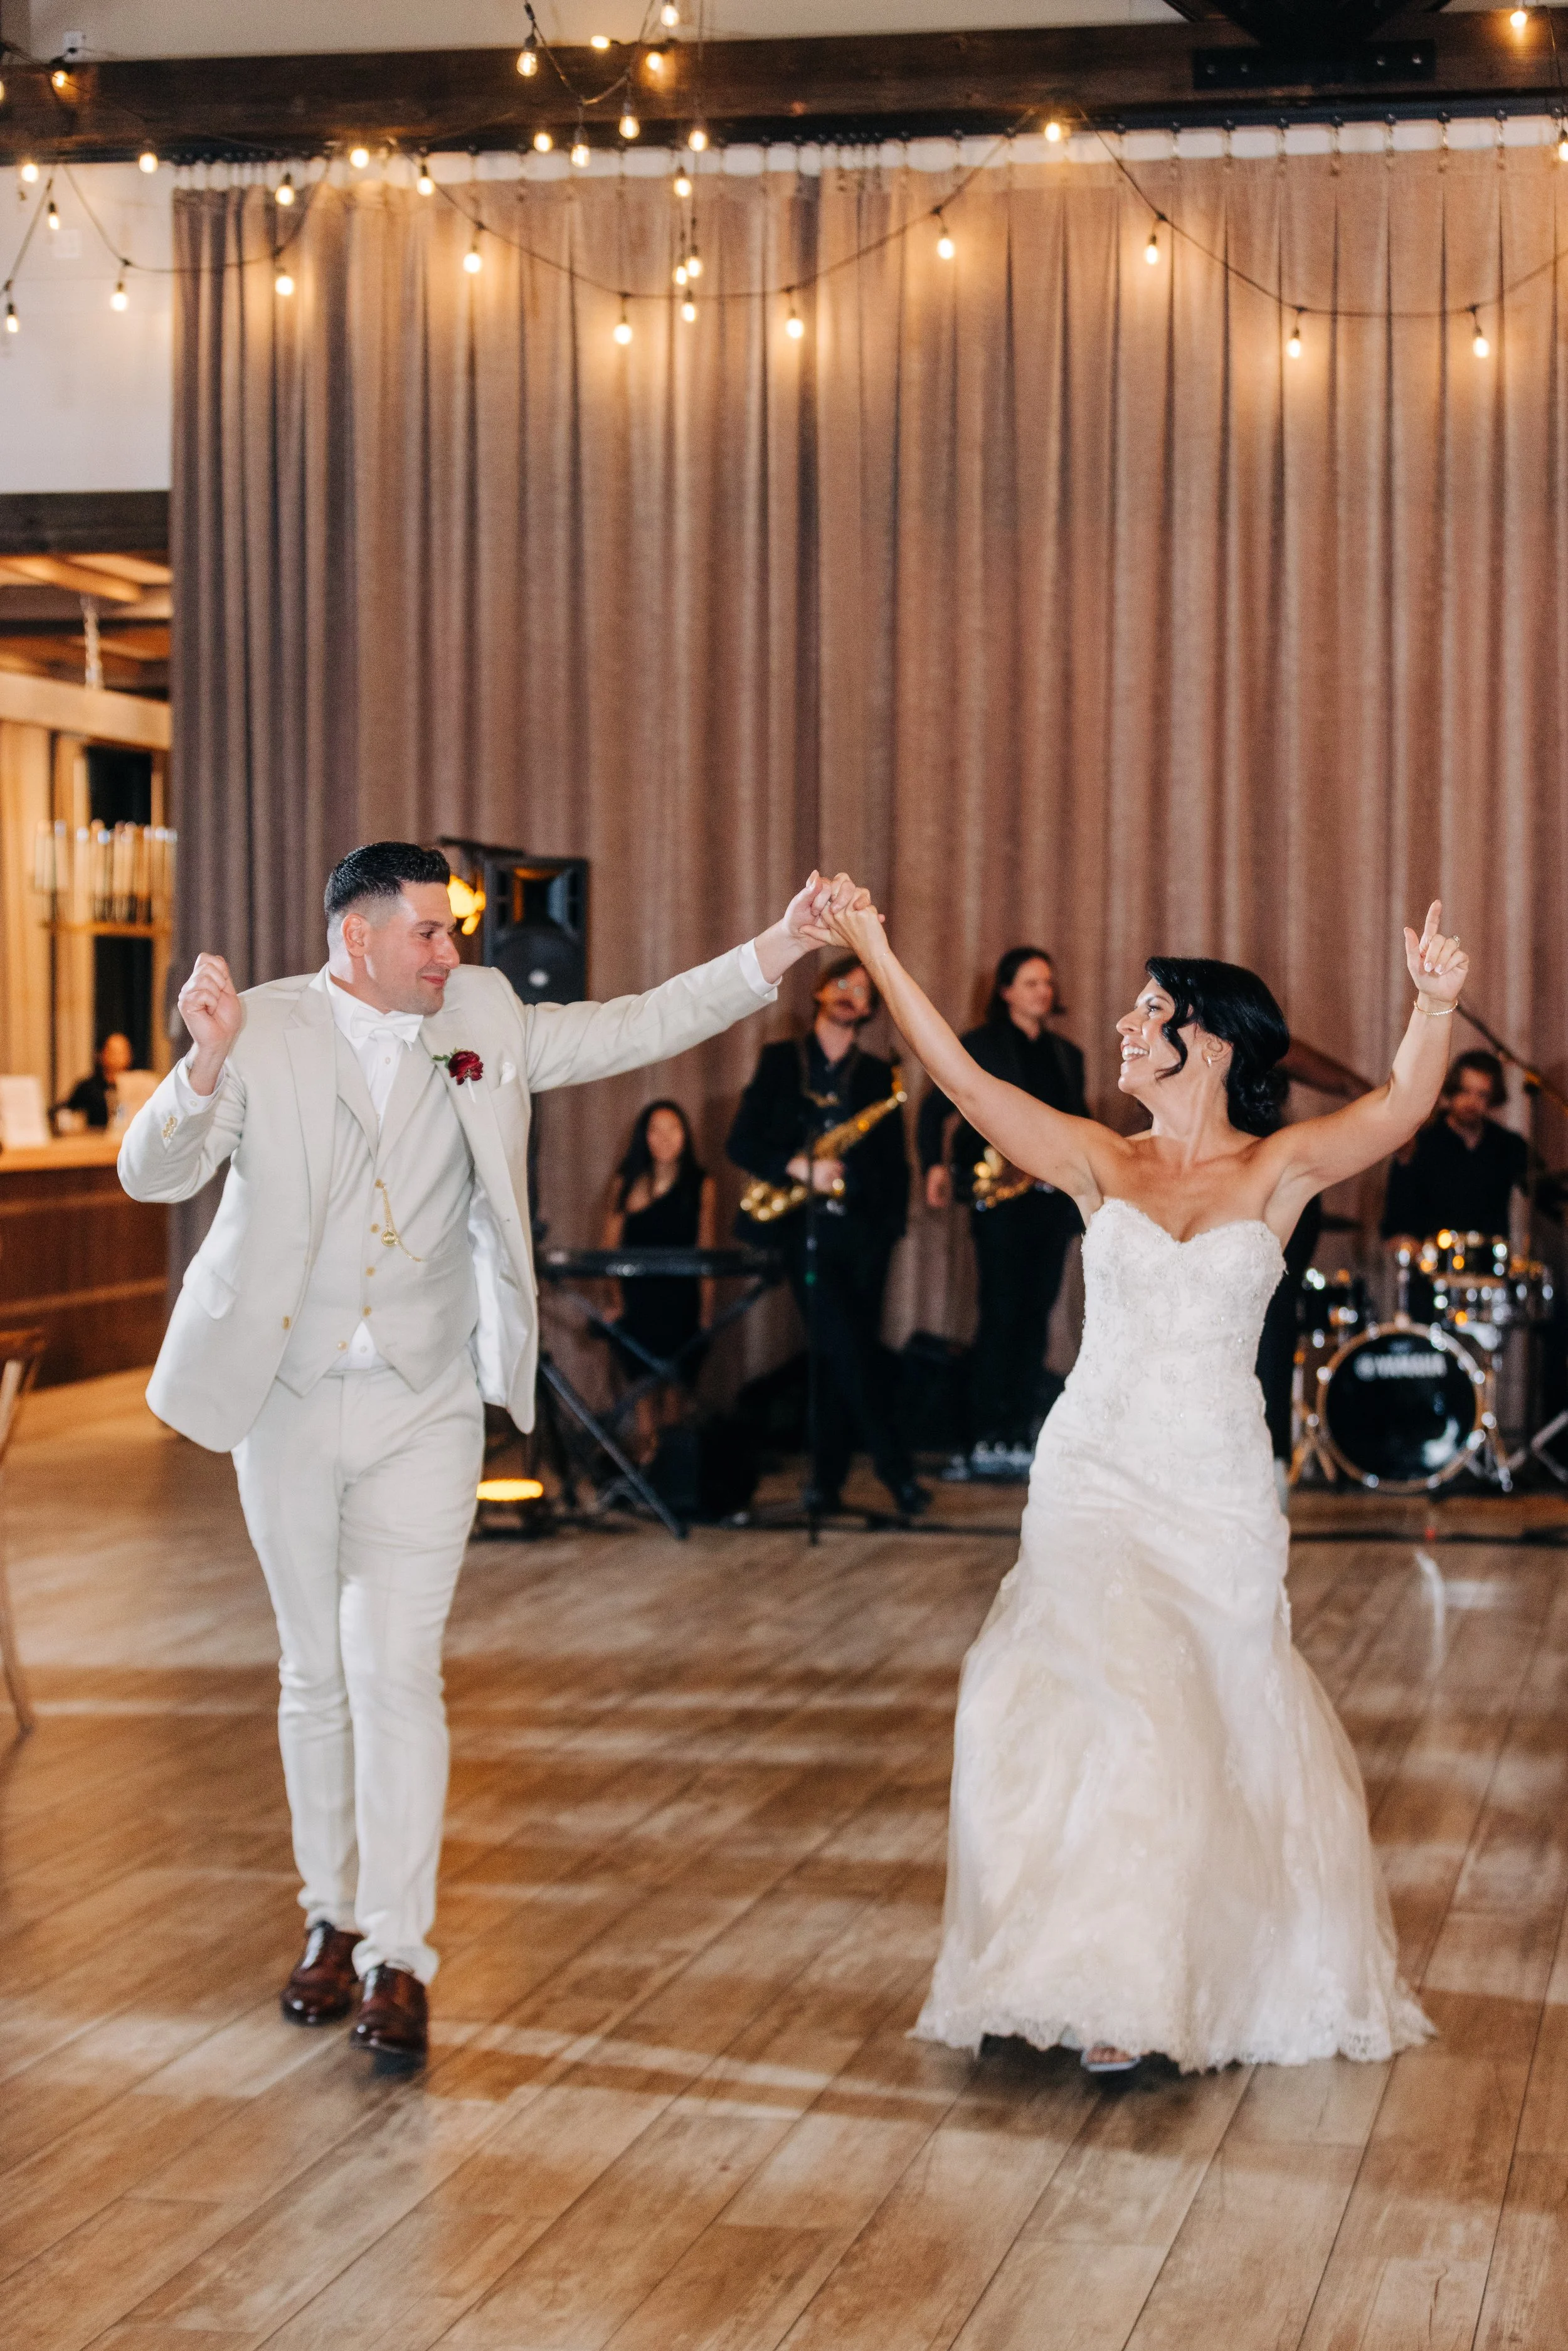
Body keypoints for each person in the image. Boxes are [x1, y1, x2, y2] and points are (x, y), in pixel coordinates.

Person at [117, 842, 850, 2064]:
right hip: (286, 1396)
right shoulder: (263, 1026)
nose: (451, 951)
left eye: (451, 930)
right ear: (356, 938)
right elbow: (153, 1172)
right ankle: (329, 1916)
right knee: (313, 1671)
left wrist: (777, 946)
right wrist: (202, 1060)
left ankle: (399, 1953)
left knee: (397, 1669)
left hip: (426, 1397)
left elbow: (636, 1023)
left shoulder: (484, 1014)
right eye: (428, 931)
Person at [819, 886, 1464, 2074]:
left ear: (1205, 1042)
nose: (1121, 1022)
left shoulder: (1278, 1170)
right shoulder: (1097, 1159)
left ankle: (1169, 1978)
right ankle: (1067, 1975)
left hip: (1213, 1481)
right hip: (1094, 1470)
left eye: (1147, 1009)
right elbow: (963, 1081)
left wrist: (1431, 1005)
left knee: (1194, 1713)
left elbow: (1400, 1105)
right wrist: (874, 946)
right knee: (1085, 1700)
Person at [726, 953, 923, 1519]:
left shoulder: (878, 1074)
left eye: (861, 991)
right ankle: (896, 1473)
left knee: (842, 1352)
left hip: (864, 1234)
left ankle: (826, 1482)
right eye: (840, 983)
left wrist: (882, 1221)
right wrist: (797, 1166)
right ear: (818, 990)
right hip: (801, 1229)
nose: (848, 994)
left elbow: (895, 1165)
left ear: (870, 1009)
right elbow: (741, 1142)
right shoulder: (781, 1061)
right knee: (846, 1348)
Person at [918, 948, 1086, 1479]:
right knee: (1000, 1314)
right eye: (1032, 982)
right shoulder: (981, 1045)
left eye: (1048, 982)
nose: (1044, 991)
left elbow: (1078, 1124)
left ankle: (1017, 1433)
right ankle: (985, 1435)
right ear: (1006, 991)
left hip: (1051, 1204)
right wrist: (934, 1166)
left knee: (1036, 1317)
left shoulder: (1067, 1055)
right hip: (1000, 1204)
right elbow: (933, 1111)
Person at [601, 1099, 717, 1457]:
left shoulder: (702, 1184)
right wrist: (616, 1301)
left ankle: (669, 1462)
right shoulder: (626, 1182)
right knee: (642, 1390)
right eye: (656, 1131)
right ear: (644, 1137)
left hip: (683, 1298)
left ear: (685, 1135)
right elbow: (609, 1251)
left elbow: (706, 1251)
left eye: (673, 1129)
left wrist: (707, 1312)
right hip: (637, 1300)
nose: (665, 1139)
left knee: (676, 1392)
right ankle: (647, 1459)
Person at [1381, 1049, 1528, 1245]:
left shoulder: (1508, 1144)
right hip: (1432, 1257)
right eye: (1464, 1091)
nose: (1472, 1103)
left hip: (1490, 1259)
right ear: (1452, 1090)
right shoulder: (1422, 1142)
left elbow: (1547, 1191)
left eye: (1482, 1095)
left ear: (1493, 1098)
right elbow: (1397, 1218)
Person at [59, 1031, 134, 1128]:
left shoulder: (137, 1087)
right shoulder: (88, 1088)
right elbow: (66, 1110)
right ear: (102, 1054)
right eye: (114, 1052)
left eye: (123, 1052)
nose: (118, 1057)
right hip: (95, 1136)